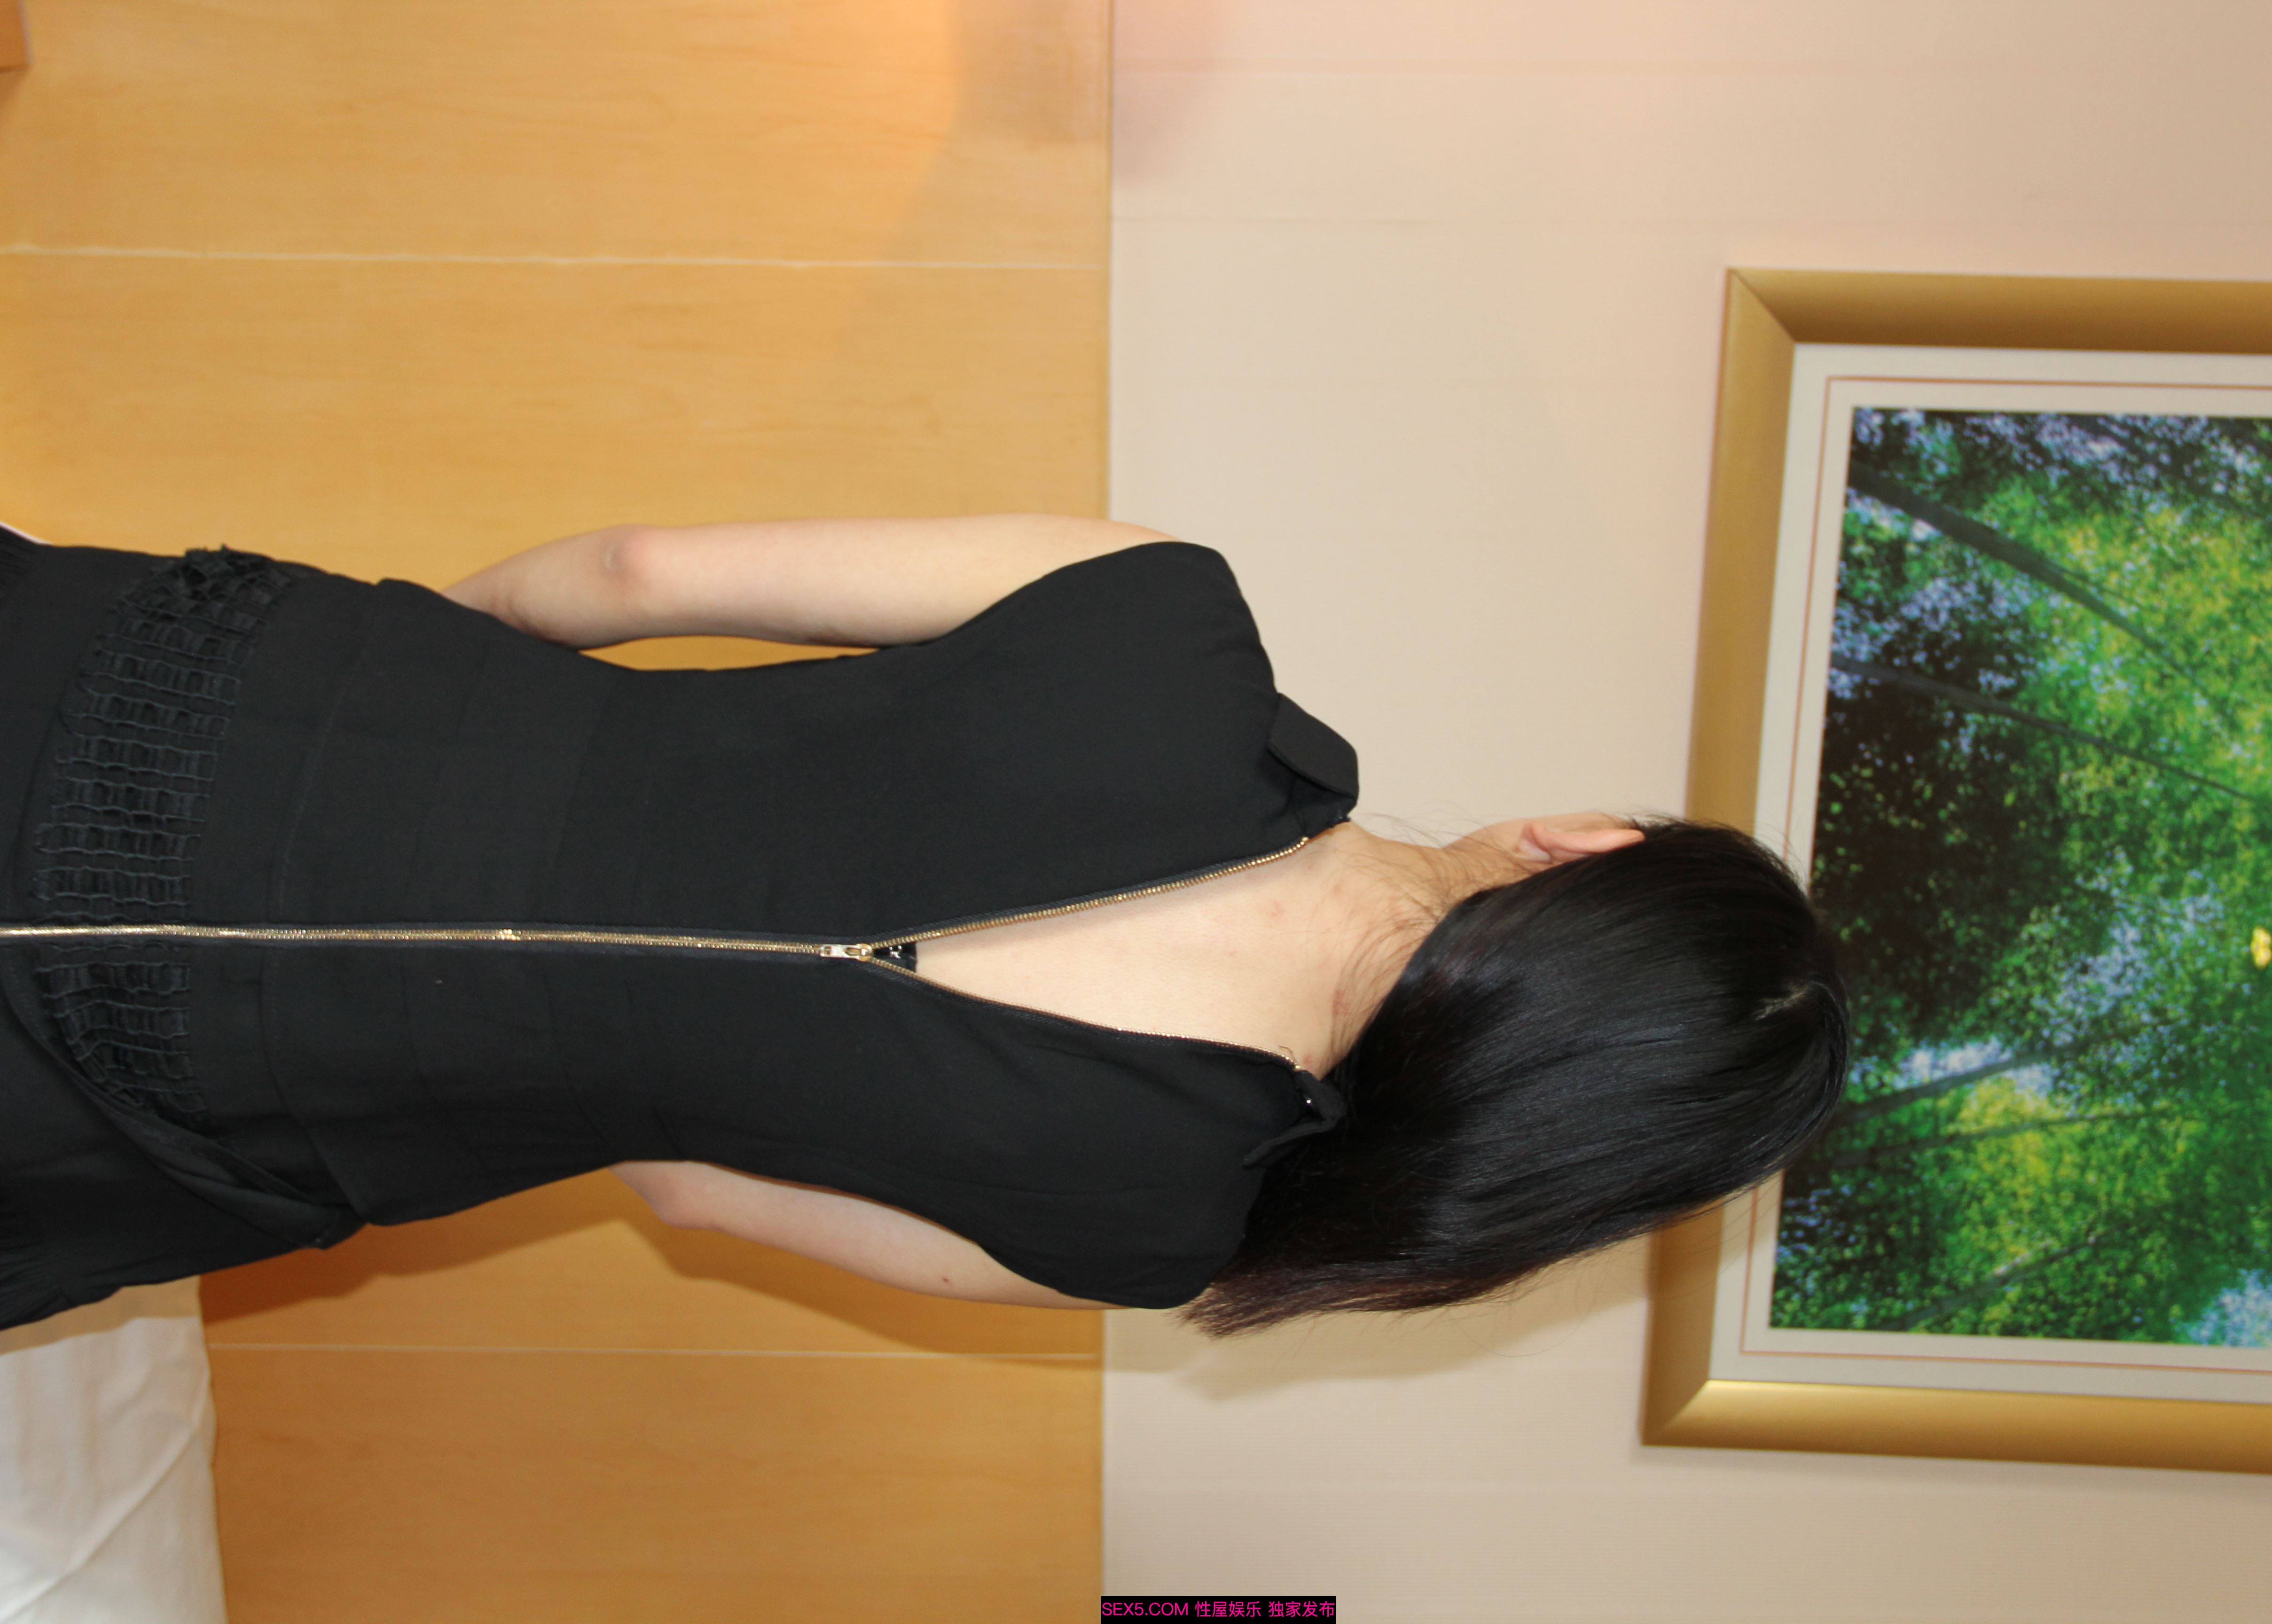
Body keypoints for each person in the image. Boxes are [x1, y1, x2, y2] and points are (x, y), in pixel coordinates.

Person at [0, 513, 1845, 1339]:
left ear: (1576, 846)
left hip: (218, 724)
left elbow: (639, 572)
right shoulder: (1154, 1231)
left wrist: (403, 679)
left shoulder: (1168, 623)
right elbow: (687, 1191)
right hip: (229, 1091)